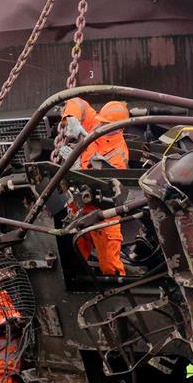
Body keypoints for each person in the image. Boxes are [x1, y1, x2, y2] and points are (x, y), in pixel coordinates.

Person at [74, 100, 130, 276]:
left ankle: (118, 292)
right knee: (74, 258)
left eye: (107, 124)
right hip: (80, 209)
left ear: (119, 127)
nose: (103, 126)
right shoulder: (94, 125)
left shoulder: (119, 152)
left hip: (103, 214)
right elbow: (77, 102)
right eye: (102, 123)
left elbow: (111, 186)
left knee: (110, 265)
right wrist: (71, 118)